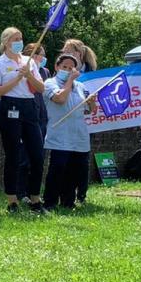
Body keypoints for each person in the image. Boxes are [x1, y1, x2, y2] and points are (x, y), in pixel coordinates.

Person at [0, 27, 47, 212]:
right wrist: (16, 79)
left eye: (20, 38)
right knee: (13, 154)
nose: (19, 42)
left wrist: (28, 74)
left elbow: (41, 88)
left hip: (30, 107)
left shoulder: (28, 62)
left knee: (37, 154)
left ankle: (35, 198)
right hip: (9, 107)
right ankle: (12, 199)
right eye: (15, 38)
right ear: (6, 42)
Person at [42, 53, 98, 209]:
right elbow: (60, 99)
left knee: (74, 171)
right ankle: (50, 202)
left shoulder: (80, 86)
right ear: (56, 67)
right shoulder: (50, 83)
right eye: (64, 67)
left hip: (78, 134)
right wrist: (70, 81)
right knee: (57, 170)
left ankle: (68, 201)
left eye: (71, 68)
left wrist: (92, 102)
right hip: (59, 134)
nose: (67, 70)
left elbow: (90, 110)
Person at [62, 38, 97, 202]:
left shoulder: (92, 74)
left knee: (82, 160)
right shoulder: (62, 72)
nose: (67, 54)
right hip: (67, 122)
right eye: (64, 51)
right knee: (67, 159)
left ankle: (81, 193)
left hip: (86, 123)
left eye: (70, 51)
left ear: (80, 54)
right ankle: (67, 191)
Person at [17, 43, 50, 202]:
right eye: (38, 55)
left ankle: (33, 192)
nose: (41, 58)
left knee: (38, 157)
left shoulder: (45, 72)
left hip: (41, 117)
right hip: (27, 116)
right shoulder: (22, 68)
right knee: (24, 157)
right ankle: (21, 192)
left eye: (42, 55)